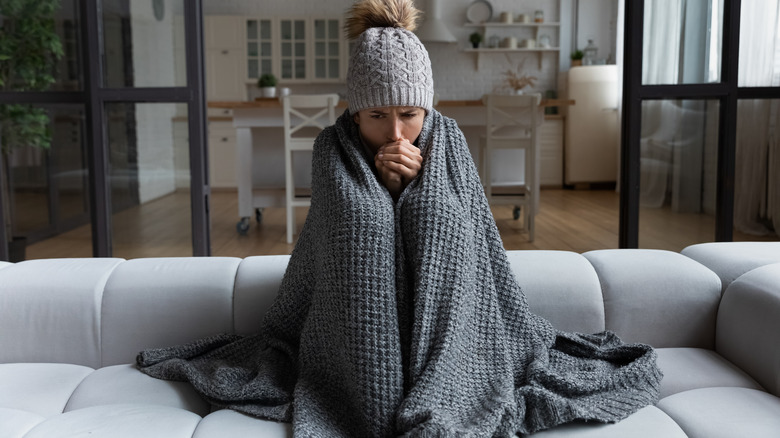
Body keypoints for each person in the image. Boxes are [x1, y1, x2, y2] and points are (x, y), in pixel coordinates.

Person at [137, 1, 662, 436]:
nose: (395, 133)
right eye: (376, 116)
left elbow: (466, 233)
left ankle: (441, 373)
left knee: (436, 216)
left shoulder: (448, 139)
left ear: (426, 110)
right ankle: (371, 384)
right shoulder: (331, 149)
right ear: (354, 113)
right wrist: (383, 188)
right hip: (347, 330)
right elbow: (343, 235)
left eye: (410, 114)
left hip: (455, 317)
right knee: (366, 222)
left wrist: (414, 190)